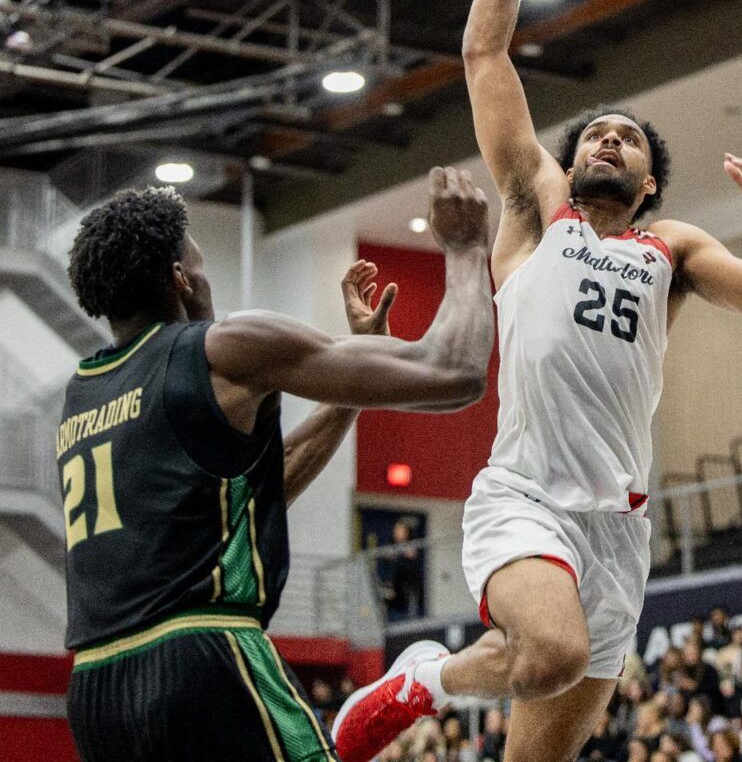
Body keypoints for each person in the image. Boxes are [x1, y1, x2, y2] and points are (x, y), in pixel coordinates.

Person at [332, 0, 742, 762]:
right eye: (596, 132)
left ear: (649, 182)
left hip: (620, 527)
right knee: (551, 653)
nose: (607, 138)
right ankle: (428, 686)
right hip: (526, 495)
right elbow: (484, 53)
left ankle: (427, 678)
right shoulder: (538, 212)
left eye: (626, 137)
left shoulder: (675, 249)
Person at [60, 173, 495, 762]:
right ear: (180, 279)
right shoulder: (223, 347)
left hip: (97, 690)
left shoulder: (85, 394)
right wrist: (467, 247)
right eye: (200, 262)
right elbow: (454, 371)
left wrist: (349, 390)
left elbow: (251, 495)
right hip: (202, 658)